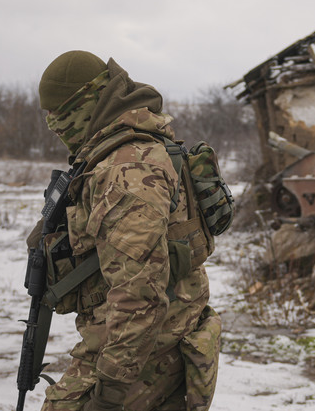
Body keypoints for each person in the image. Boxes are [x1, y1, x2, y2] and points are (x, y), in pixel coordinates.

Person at [35, 50, 220, 411]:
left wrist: (110, 393)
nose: (54, 126)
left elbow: (140, 296)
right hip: (161, 337)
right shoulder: (128, 150)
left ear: (83, 104)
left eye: (57, 116)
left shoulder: (127, 170)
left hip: (144, 354)